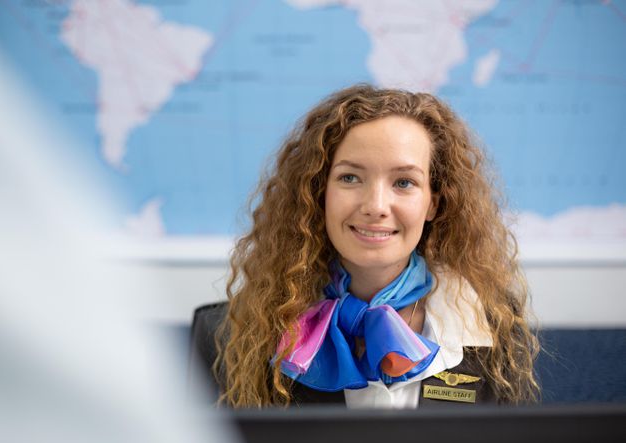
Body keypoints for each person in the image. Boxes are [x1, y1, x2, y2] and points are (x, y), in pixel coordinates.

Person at [209, 84, 538, 408]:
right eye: (350, 178)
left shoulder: (497, 324)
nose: (376, 206)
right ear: (319, 194)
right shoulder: (249, 329)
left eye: (404, 182)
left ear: (433, 204)